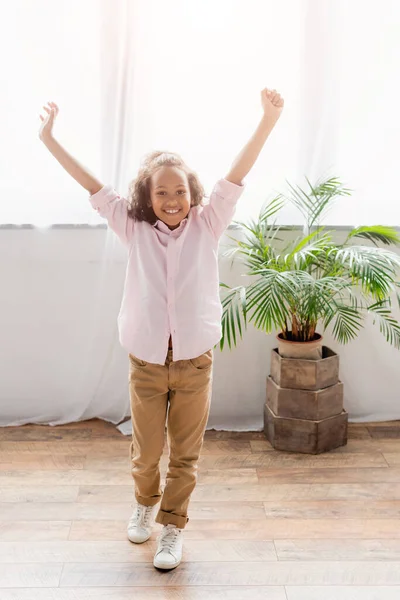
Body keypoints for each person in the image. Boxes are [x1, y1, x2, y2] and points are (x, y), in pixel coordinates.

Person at [38, 87, 284, 570]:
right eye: (162, 192)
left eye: (180, 191)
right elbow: (92, 186)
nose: (172, 199)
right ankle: (145, 503)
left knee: (186, 454)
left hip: (195, 362)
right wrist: (50, 140)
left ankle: (173, 526)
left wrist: (268, 120)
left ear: (193, 193)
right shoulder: (133, 228)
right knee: (146, 451)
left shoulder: (209, 224)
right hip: (147, 364)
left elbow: (237, 173)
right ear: (147, 199)